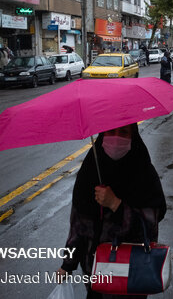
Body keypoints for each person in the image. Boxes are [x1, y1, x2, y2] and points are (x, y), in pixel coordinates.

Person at [57, 124, 166, 298]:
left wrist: (116, 204)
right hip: (96, 273)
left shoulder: (144, 173)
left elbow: (149, 227)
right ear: (102, 134)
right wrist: (67, 265)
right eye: (111, 131)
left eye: (123, 132)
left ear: (133, 136)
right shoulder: (90, 170)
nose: (116, 138)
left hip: (132, 272)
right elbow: (78, 225)